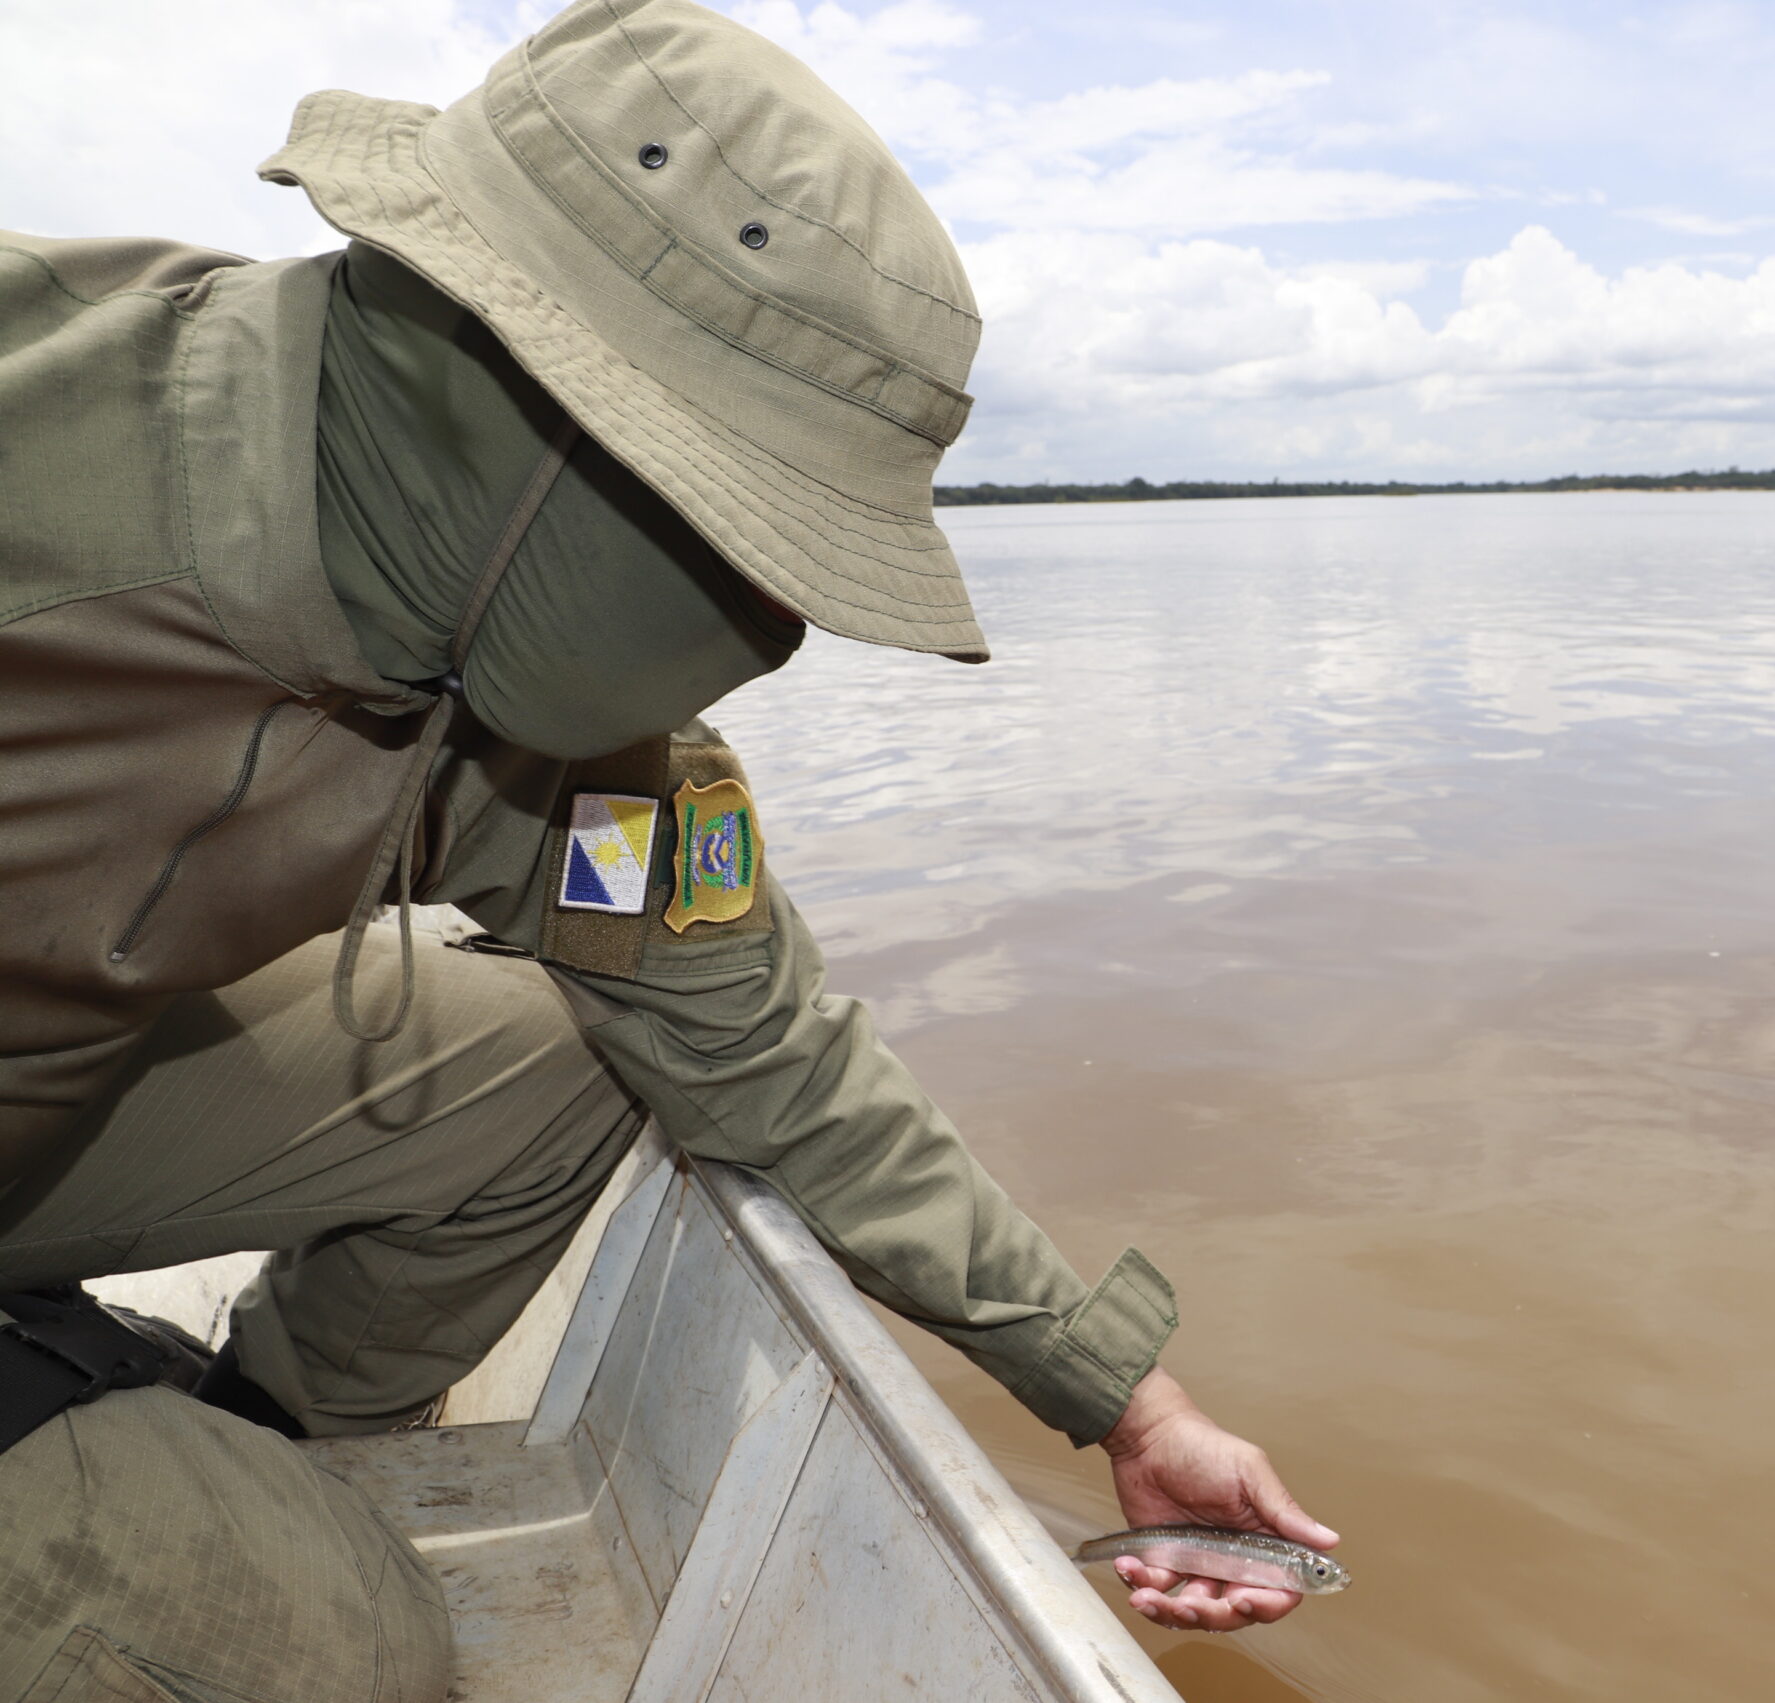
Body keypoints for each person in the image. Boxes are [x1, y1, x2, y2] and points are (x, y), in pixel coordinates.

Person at [0, 1, 1330, 1695]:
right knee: (322, 1654)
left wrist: (1128, 1400)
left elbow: (767, 1048)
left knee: (571, 1060)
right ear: (558, 437)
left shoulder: (539, 726)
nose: (778, 627)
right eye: (762, 543)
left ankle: (248, 1427)